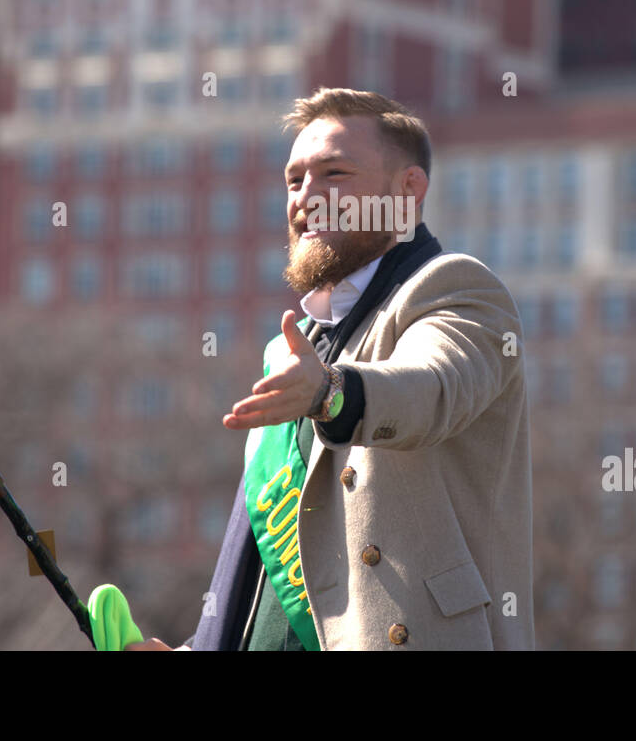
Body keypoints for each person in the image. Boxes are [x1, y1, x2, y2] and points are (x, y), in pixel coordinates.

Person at [129, 87, 533, 650]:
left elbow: (434, 386)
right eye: (294, 181)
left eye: (334, 174)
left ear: (408, 190)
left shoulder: (456, 290)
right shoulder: (296, 347)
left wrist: (332, 393)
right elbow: (265, 576)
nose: (306, 199)